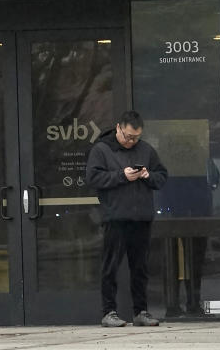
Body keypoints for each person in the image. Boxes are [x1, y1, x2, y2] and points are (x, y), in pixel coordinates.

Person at [85, 110, 168, 327]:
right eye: (129, 136)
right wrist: (122, 175)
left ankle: (141, 311)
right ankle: (108, 311)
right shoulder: (102, 149)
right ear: (119, 128)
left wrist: (149, 175)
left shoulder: (146, 150)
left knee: (140, 268)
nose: (132, 141)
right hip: (115, 217)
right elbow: (93, 178)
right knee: (110, 266)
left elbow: (162, 177)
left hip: (141, 217)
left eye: (136, 137)